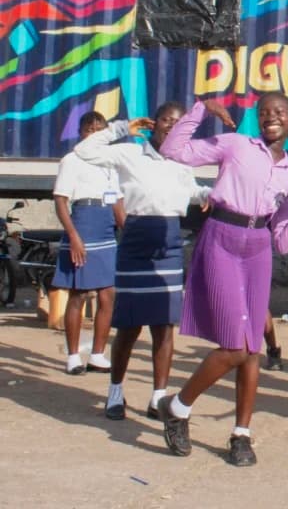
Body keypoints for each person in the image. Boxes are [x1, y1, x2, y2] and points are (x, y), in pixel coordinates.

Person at [155, 94, 288, 466]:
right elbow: (172, 150)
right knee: (235, 345)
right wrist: (200, 110)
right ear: (258, 120)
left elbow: (284, 241)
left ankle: (240, 434)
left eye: (279, 112)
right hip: (222, 238)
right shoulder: (236, 145)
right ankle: (178, 406)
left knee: (252, 347)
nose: (271, 118)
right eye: (264, 113)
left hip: (259, 247)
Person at [74, 102, 210, 421]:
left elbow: (189, 191)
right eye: (165, 120)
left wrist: (208, 196)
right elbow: (84, 151)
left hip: (170, 242)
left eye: (178, 123)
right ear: (154, 123)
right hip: (135, 240)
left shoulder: (182, 159)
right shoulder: (129, 153)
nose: (171, 126)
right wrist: (121, 128)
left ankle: (158, 398)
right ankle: (115, 392)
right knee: (129, 326)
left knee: (164, 327)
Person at [53, 111, 124, 375]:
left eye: (100, 130)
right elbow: (60, 201)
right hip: (83, 224)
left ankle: (97, 354)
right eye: (90, 129)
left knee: (108, 294)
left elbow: (117, 201)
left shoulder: (110, 163)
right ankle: (73, 356)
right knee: (79, 293)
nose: (95, 134)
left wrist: (129, 232)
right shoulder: (71, 160)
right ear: (82, 133)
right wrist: (73, 236)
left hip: (106, 228)